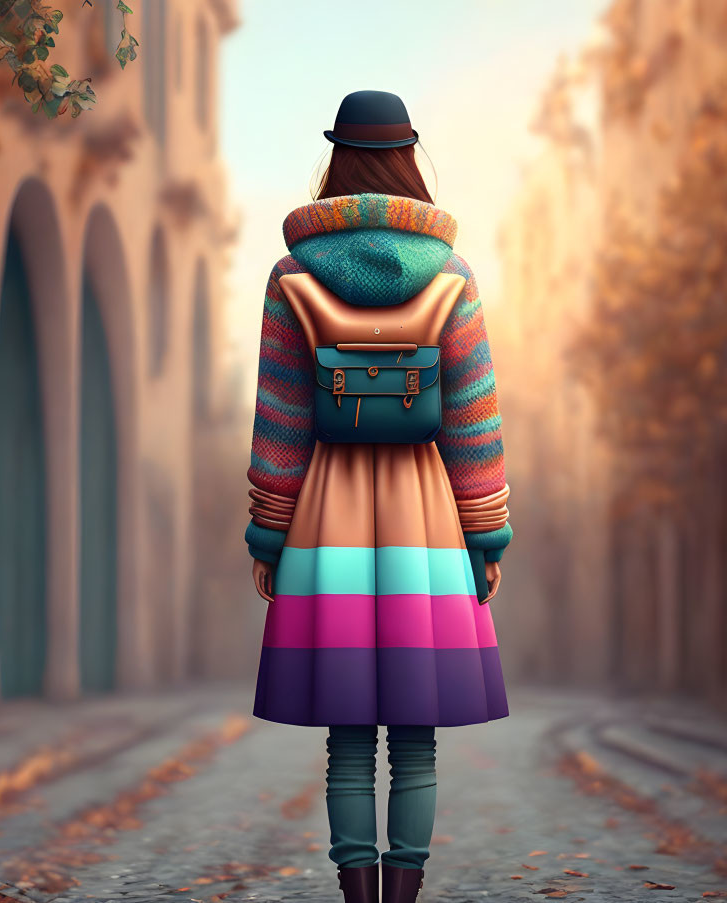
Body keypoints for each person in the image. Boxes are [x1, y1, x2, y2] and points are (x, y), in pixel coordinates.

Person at [243, 89, 512, 903]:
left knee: (349, 737)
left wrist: (269, 536)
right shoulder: (453, 277)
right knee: (416, 737)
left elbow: (281, 419)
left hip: (326, 516)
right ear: (408, 157)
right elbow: (471, 419)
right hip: (426, 518)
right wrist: (485, 536)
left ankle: (355, 897)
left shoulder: (291, 275)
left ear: (336, 159)